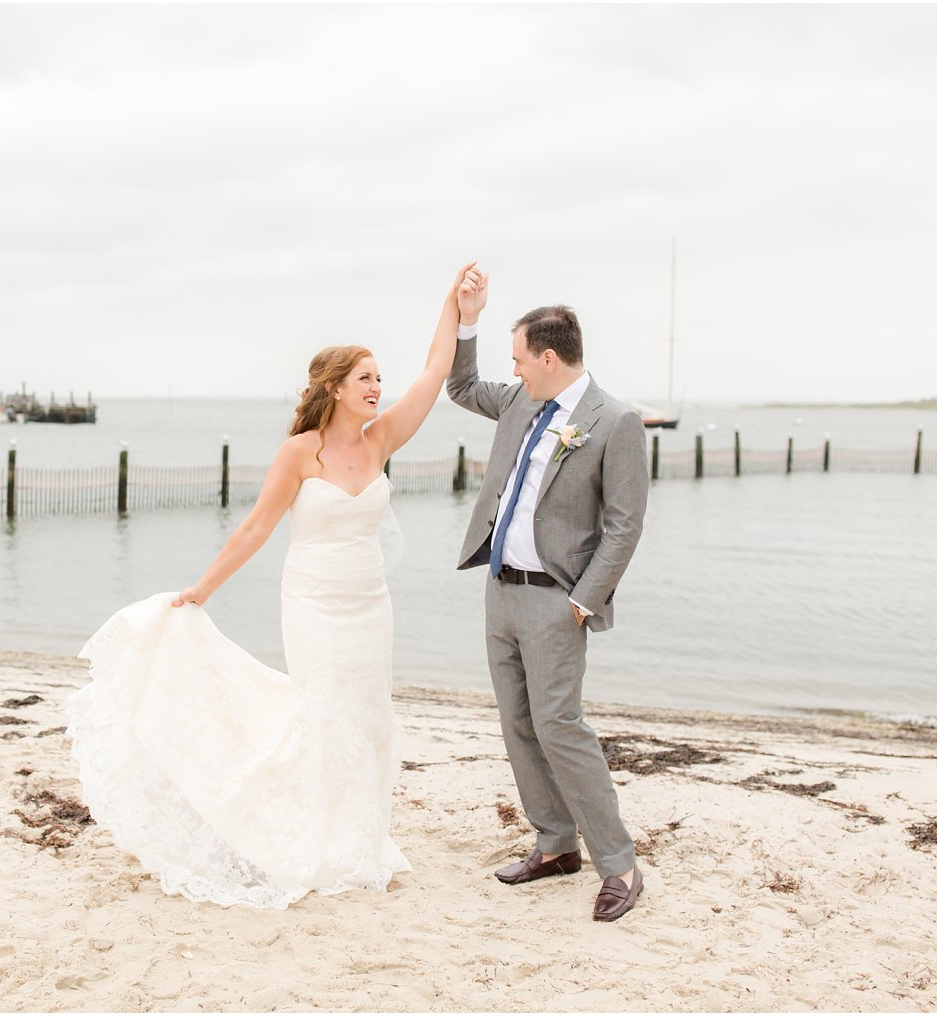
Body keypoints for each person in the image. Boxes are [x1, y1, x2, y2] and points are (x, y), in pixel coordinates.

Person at [65, 262, 481, 909]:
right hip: (313, 605)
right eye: (365, 378)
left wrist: (455, 306)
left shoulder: (381, 440)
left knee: (366, 718)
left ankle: (354, 837)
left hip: (370, 607)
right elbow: (257, 528)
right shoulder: (301, 452)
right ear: (336, 388)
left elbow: (434, 370)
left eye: (378, 377)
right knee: (322, 712)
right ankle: (298, 834)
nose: (379, 386)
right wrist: (202, 589)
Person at [446, 275, 650, 922]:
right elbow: (459, 387)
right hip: (500, 590)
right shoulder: (518, 403)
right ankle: (556, 844)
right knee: (516, 723)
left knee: (561, 727)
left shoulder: (614, 422)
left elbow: (625, 524)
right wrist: (467, 322)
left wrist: (584, 601)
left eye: (518, 358)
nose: (513, 370)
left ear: (549, 359)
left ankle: (617, 863)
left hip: (556, 602)